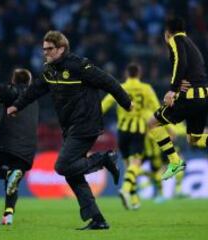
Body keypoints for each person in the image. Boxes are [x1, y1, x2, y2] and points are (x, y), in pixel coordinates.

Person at [7, 30, 132, 230]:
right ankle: (97, 219)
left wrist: (126, 103)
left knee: (62, 166)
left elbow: (109, 82)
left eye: (49, 49)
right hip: (70, 126)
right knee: (72, 174)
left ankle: (104, 159)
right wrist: (17, 106)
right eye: (44, 49)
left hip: (86, 123)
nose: (45, 52)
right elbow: (35, 89)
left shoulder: (79, 66)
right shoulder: (49, 70)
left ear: (62, 48)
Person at [147, 17, 208, 181]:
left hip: (191, 97)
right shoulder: (191, 44)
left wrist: (172, 89)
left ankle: (175, 161)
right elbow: (194, 69)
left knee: (152, 123)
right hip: (205, 96)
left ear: (167, 33)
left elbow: (181, 63)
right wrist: (181, 84)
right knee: (194, 139)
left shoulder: (175, 40)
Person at [0, 68, 38, 225]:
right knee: (13, 181)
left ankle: (7, 175)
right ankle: (8, 215)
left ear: (14, 81)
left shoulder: (13, 91)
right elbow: (19, 125)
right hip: (28, 149)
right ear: (29, 82)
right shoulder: (34, 100)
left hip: (6, 144)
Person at [101, 63, 160, 210]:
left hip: (121, 131)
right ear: (139, 74)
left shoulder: (119, 87)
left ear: (126, 74)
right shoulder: (146, 89)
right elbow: (157, 109)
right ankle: (126, 190)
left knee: (129, 167)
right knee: (136, 163)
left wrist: (90, 120)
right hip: (138, 131)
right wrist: (169, 128)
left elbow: (104, 105)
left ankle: (134, 201)